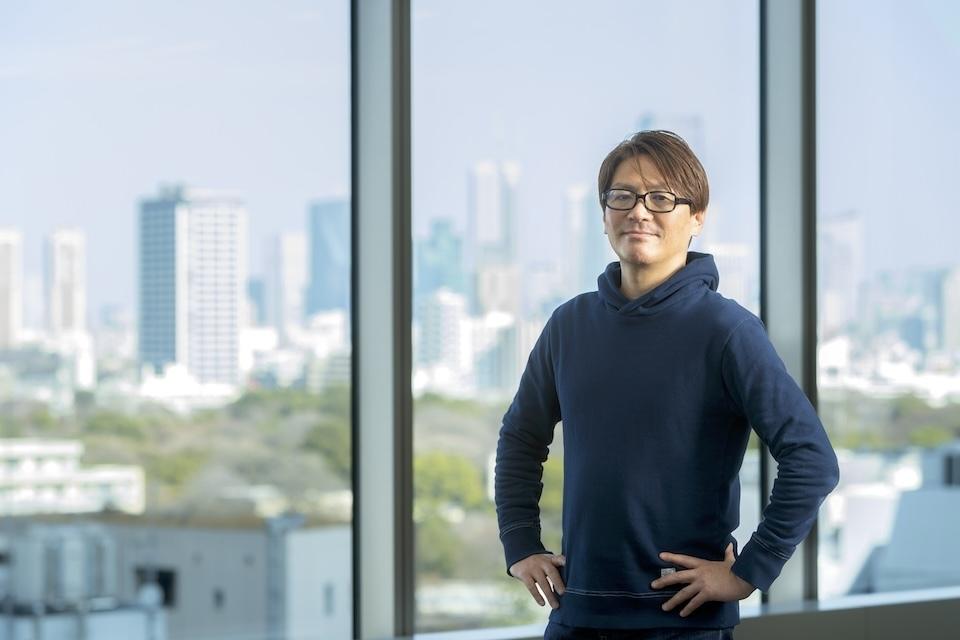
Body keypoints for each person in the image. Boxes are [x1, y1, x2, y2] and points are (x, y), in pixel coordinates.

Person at [494, 130, 841, 639]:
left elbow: (812, 459)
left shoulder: (727, 330)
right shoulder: (569, 325)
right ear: (604, 214)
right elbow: (520, 439)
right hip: (576, 614)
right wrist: (520, 543)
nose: (639, 211)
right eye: (622, 196)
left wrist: (750, 571)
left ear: (697, 217)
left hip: (682, 624)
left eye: (661, 198)